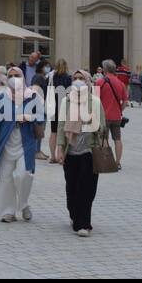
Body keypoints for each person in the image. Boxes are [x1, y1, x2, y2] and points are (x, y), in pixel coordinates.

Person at [0, 66, 44, 222]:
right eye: (11, 75)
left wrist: (29, 117)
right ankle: (8, 211)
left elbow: (42, 117)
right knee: (5, 178)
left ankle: (23, 204)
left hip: (25, 144)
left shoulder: (32, 96)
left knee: (24, 175)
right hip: (6, 144)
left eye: (17, 75)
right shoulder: (3, 98)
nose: (14, 78)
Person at [56, 69, 103, 236]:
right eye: (75, 78)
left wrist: (93, 121)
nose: (77, 81)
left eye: (81, 78)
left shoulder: (95, 102)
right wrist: (59, 148)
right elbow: (61, 126)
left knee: (87, 188)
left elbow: (103, 128)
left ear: (88, 81)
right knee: (72, 188)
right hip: (71, 151)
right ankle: (74, 214)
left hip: (89, 151)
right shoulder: (66, 101)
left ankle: (83, 224)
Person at [96, 59, 128, 165]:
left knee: (104, 139)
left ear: (105, 69)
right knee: (117, 139)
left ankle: (107, 161)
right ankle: (118, 162)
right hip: (117, 116)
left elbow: (95, 100)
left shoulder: (100, 82)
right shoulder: (120, 83)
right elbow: (125, 100)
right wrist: (120, 110)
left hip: (103, 116)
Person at [47, 59, 73, 163]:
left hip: (53, 107)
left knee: (53, 132)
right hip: (64, 107)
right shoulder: (68, 78)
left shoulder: (51, 77)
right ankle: (61, 156)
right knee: (63, 132)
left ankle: (53, 156)